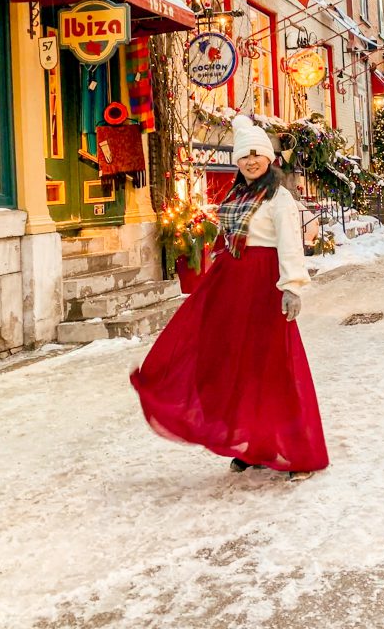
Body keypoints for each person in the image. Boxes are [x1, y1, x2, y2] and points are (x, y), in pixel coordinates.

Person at [130, 115, 328, 480]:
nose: (251, 162)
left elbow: (289, 245)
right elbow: (226, 240)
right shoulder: (238, 193)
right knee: (234, 366)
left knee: (274, 369)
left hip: (264, 284)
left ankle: (298, 452)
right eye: (243, 157)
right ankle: (251, 445)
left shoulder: (278, 197)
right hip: (232, 285)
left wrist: (292, 287)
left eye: (257, 155)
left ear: (269, 158)